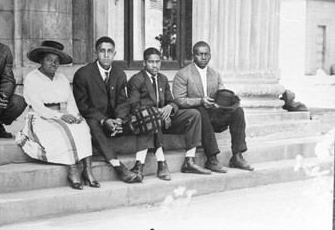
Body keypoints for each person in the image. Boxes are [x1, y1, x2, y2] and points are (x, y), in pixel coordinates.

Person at [15, 41, 99, 190]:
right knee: (61, 132)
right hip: (39, 117)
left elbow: (71, 102)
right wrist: (61, 117)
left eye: (56, 61)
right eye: (49, 60)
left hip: (60, 114)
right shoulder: (32, 78)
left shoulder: (62, 78)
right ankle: (72, 171)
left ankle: (87, 170)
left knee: (82, 127)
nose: (53, 64)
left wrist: (76, 115)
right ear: (41, 60)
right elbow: (38, 107)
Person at [127, 47, 211, 179]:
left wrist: (169, 108)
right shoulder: (136, 80)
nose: (155, 65)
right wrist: (159, 112)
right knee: (151, 117)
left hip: (165, 119)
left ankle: (189, 160)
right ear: (144, 63)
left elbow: (173, 101)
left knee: (194, 114)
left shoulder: (163, 79)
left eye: (158, 62)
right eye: (151, 62)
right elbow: (134, 107)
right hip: (145, 121)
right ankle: (158, 164)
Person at [172, 41, 253, 172]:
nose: (203, 57)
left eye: (206, 54)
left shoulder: (215, 74)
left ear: (210, 56)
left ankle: (237, 156)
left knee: (238, 111)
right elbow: (178, 100)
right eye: (200, 54)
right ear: (193, 55)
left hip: (212, 114)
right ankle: (212, 158)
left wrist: (231, 102)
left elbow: (221, 94)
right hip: (194, 116)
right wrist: (200, 101)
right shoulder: (183, 74)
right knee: (201, 110)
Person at [73, 37, 144, 184]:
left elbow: (123, 101)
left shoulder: (119, 73)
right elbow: (82, 106)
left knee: (144, 117)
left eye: (109, 51)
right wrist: (104, 120)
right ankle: (118, 166)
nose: (106, 55)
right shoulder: (83, 74)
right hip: (96, 122)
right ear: (96, 53)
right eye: (102, 51)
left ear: (115, 53)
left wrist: (119, 119)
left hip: (115, 122)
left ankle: (141, 164)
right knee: (91, 123)